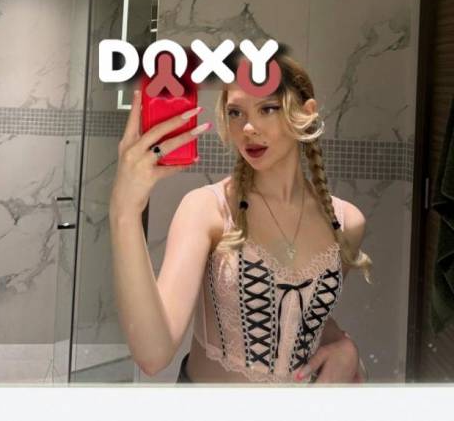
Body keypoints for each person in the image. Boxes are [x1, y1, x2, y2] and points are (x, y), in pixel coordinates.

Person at [109, 53, 372, 384]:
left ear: (306, 113)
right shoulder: (207, 209)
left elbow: (305, 318)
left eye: (267, 109)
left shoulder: (347, 222)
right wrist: (124, 212)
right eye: (236, 113)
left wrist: (345, 347)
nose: (248, 127)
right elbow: (153, 355)